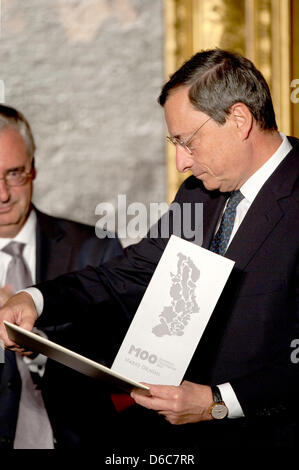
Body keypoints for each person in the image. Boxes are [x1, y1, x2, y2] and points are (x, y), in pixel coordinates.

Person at [0, 49, 298, 452]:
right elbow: (134, 270)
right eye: (174, 143)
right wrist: (36, 298)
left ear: (240, 119)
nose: (180, 163)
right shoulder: (199, 192)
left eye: (187, 142)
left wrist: (218, 403)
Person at [0, 104, 123, 449]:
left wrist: (40, 349)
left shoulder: (95, 250)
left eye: (14, 173)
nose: (3, 195)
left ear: (34, 169)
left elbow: (123, 363)